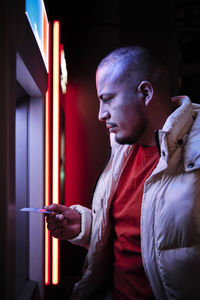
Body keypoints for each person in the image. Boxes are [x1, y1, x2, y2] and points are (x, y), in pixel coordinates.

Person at [46, 46, 200, 300]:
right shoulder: (122, 148)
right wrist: (84, 226)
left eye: (107, 99)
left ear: (146, 93)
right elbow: (141, 233)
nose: (100, 114)